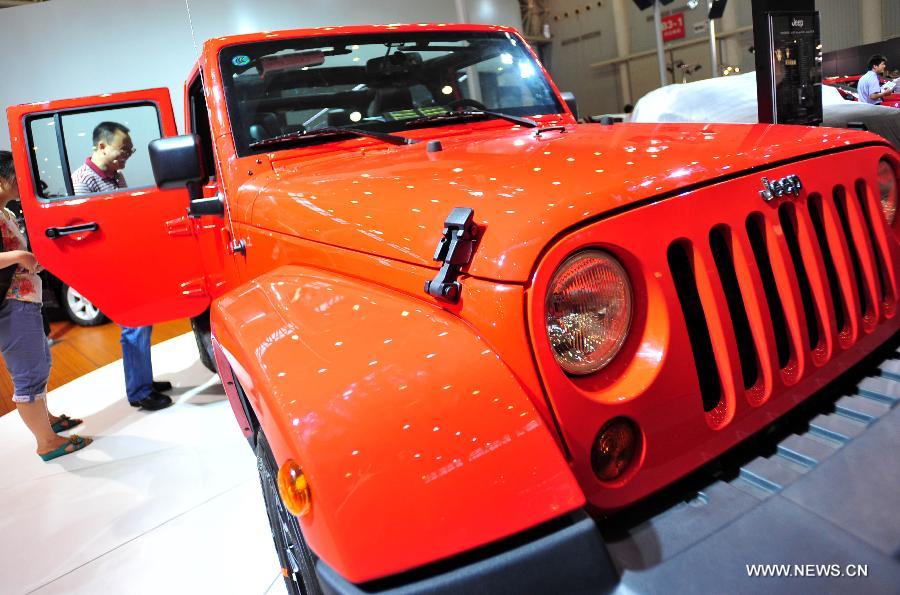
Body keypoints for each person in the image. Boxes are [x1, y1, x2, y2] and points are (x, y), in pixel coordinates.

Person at [71, 123, 173, 411]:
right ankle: (140, 391)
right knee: (134, 325)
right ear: (102, 146)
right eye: (123, 149)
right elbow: (92, 223)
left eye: (130, 150)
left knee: (142, 322)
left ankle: (144, 380)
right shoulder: (83, 179)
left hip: (125, 259)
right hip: (111, 263)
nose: (127, 155)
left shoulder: (116, 175)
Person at [0, 150, 92, 460]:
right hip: (11, 305)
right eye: (16, 174)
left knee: (39, 364)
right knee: (28, 373)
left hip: (24, 299)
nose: (21, 180)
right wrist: (18, 257)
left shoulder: (7, 212)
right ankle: (46, 442)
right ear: (1, 179)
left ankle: (46, 422)